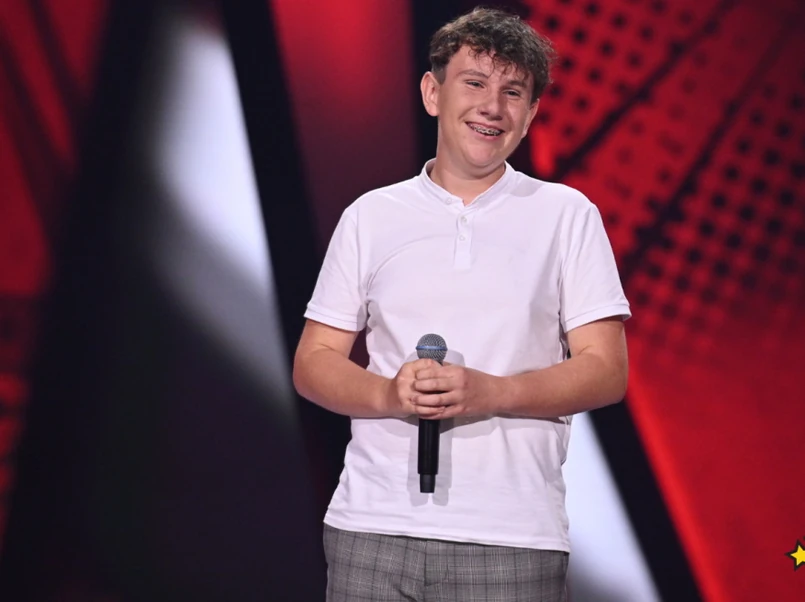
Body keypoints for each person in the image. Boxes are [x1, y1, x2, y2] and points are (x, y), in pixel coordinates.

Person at [293, 7, 630, 602]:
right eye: (474, 82)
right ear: (433, 92)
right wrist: (388, 394)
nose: (491, 107)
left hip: (512, 538)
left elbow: (605, 370)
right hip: (371, 528)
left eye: (513, 92)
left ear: (530, 114)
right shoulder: (371, 215)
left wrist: (490, 392)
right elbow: (314, 360)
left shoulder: (566, 215)